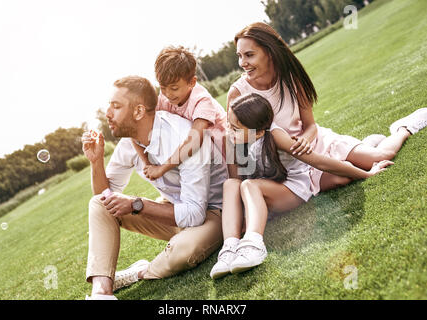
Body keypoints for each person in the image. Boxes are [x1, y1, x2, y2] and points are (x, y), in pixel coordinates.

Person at [228, 22, 427, 196]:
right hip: (286, 165)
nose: (242, 63)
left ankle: (403, 128)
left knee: (381, 158)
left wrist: (304, 141)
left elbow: (311, 125)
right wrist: (240, 183)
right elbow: (234, 143)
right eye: (239, 56)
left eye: (249, 55)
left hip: (312, 145)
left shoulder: (290, 78)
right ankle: (365, 145)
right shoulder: (238, 93)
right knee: (342, 178)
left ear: (269, 52)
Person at [210, 93, 393, 279]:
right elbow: (236, 183)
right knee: (231, 184)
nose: (229, 132)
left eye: (235, 129)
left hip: (292, 189)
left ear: (257, 132)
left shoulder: (275, 136)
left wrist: (367, 174)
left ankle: (253, 244)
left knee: (250, 185)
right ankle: (230, 248)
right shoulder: (234, 141)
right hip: (266, 191)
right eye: (229, 126)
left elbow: (319, 162)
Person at [82, 75, 227, 299]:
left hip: (214, 213)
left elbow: (196, 215)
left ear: (139, 111)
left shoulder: (182, 137)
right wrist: (96, 161)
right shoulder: (128, 144)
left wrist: (136, 204)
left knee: (184, 251)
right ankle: (102, 292)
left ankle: (138, 272)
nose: (108, 114)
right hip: (175, 212)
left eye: (116, 106)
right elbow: (104, 197)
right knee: (100, 204)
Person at [132, 46, 227, 181]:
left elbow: (195, 139)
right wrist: (147, 164)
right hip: (201, 162)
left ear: (192, 82)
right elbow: (134, 128)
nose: (168, 94)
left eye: (174, 88)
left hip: (226, 157)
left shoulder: (202, 101)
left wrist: (162, 168)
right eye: (163, 88)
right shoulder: (163, 99)